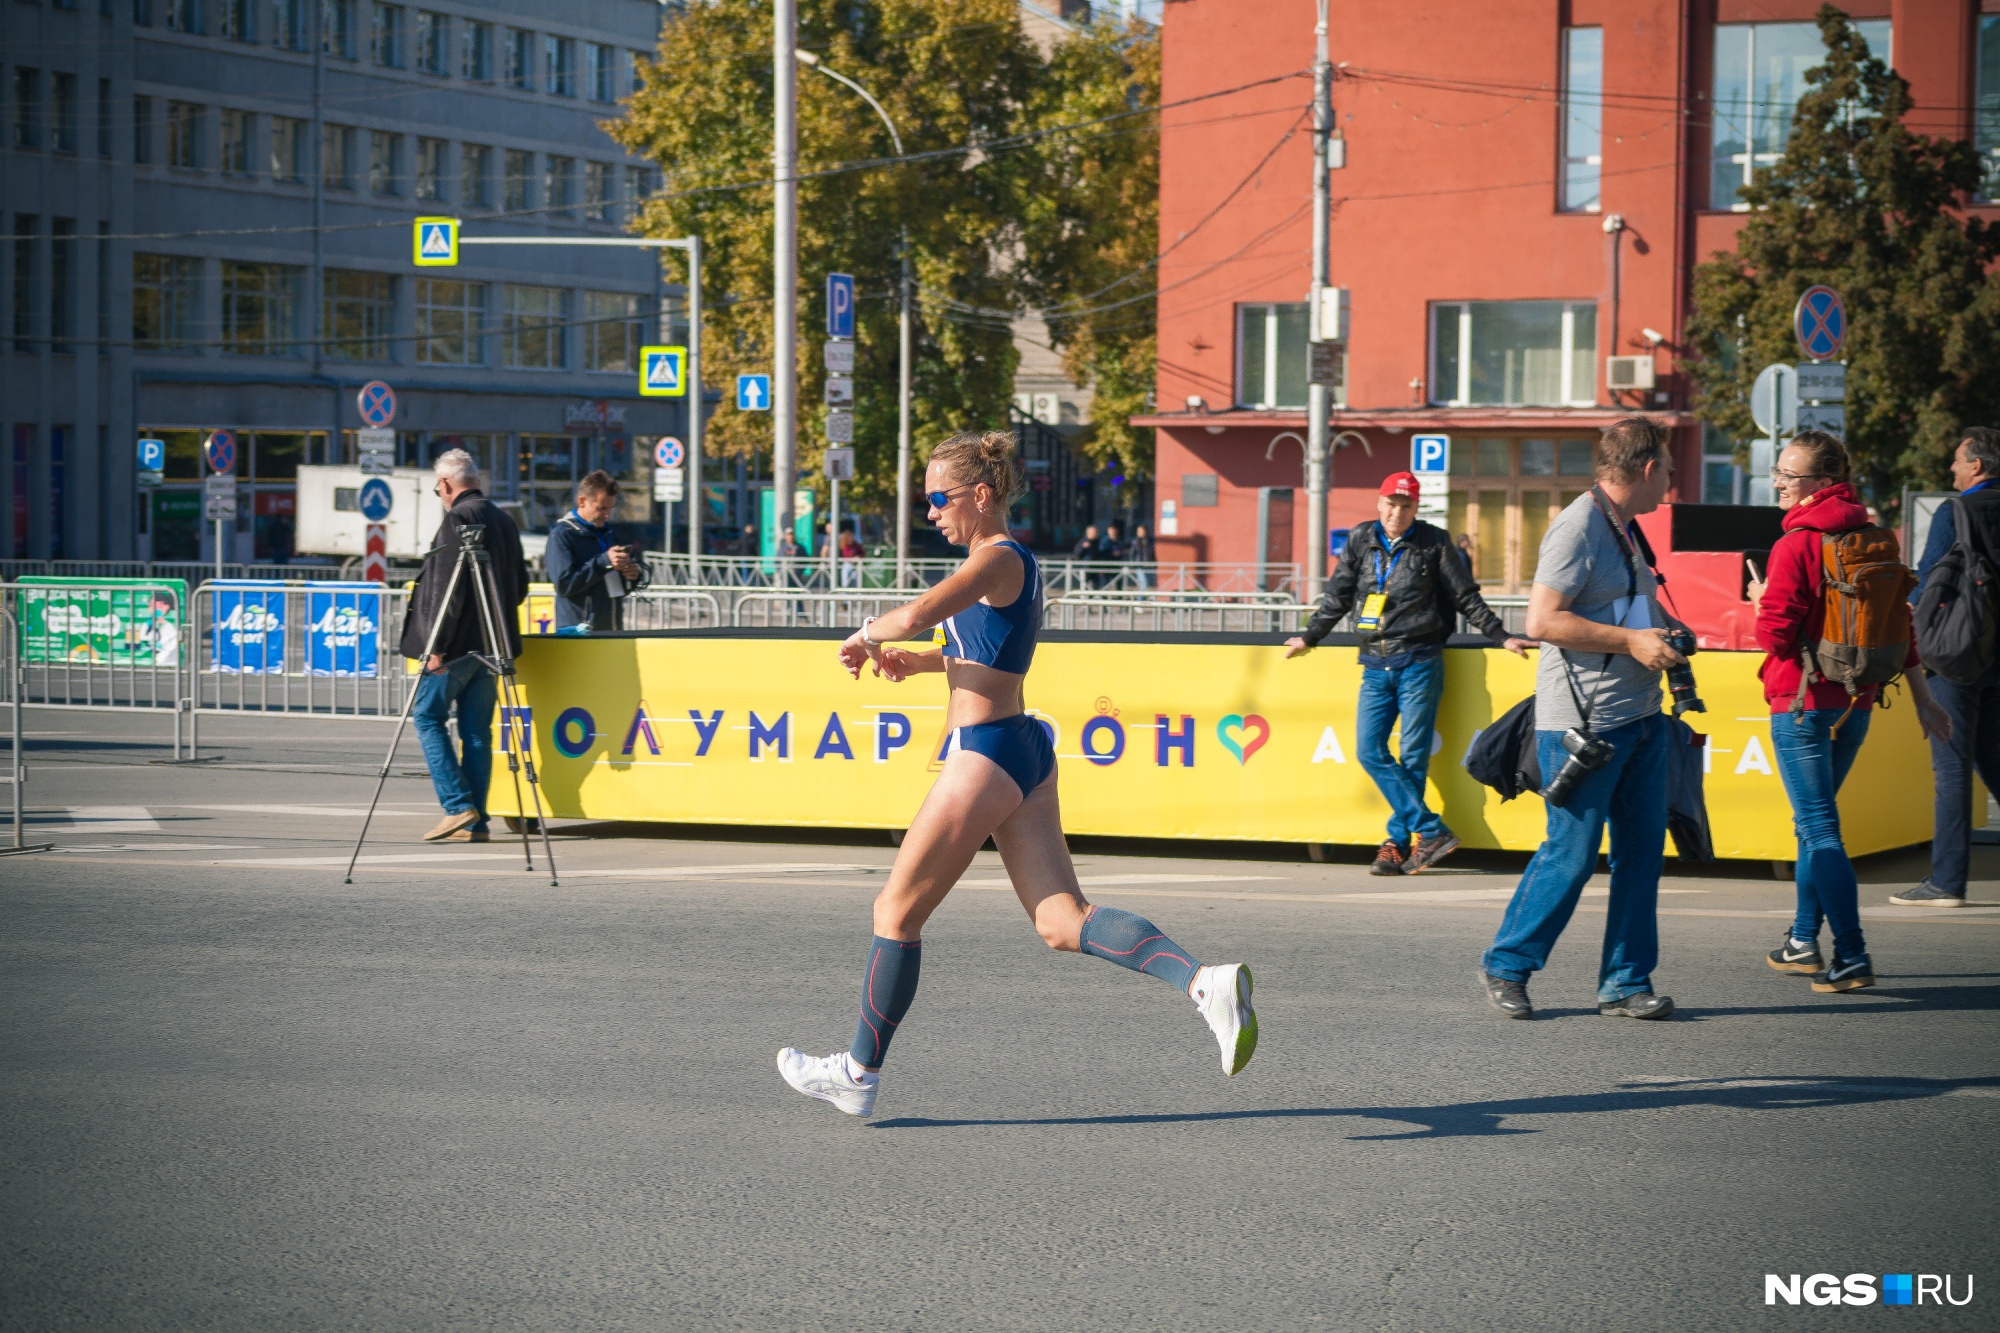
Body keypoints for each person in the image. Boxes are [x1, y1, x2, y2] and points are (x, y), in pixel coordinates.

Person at [776, 430, 1258, 1118]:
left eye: (939, 499)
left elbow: (914, 614)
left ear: (980, 495)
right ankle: (1203, 982)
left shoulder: (996, 557)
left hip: (987, 752)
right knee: (1063, 920)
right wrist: (919, 664)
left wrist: (866, 633)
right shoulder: (1003, 567)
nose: (932, 512)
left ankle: (857, 1070)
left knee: (895, 911)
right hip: (1020, 748)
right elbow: (977, 652)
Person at [1477, 418, 1684, 1021]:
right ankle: (1507, 964)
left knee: (1642, 854)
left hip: (1640, 717)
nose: (1671, 480)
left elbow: (1623, 611)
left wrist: (1658, 638)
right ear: (1647, 470)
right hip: (1586, 728)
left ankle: (1624, 983)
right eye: (1667, 469)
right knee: (1570, 852)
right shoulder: (1578, 526)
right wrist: (1633, 641)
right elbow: (1542, 623)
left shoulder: (1625, 527)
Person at [1746, 432, 1950, 992]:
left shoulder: (1795, 546)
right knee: (1814, 828)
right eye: (1779, 473)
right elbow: (1901, 629)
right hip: (1856, 703)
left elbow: (1776, 637)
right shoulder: (1873, 538)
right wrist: (1924, 700)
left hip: (1803, 703)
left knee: (1819, 828)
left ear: (1821, 484)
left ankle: (1852, 954)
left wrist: (1760, 600)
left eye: (1789, 475)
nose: (1779, 483)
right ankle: (1801, 940)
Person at [1285, 472, 1533, 875]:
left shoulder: (1434, 541)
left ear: (1416, 508)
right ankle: (1430, 829)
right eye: (1391, 504)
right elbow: (1338, 596)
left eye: (1405, 506)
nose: (1396, 513)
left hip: (1420, 660)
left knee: (1413, 756)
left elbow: (1465, 595)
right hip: (1374, 664)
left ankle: (1396, 844)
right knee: (1369, 750)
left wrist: (1500, 635)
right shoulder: (1360, 539)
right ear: (1379, 503)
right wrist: (1310, 636)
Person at [399, 448, 527, 843]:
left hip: (455, 647)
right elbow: (520, 587)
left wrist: (436, 643)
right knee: (476, 733)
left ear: (447, 485)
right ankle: (476, 824)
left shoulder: (458, 518)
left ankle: (457, 807)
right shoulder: (504, 520)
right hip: (492, 646)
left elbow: (444, 590)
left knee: (426, 715)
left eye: (439, 488)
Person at [1895, 426, 2000, 907]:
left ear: (1977, 466)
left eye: (1958, 461)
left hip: (1958, 655)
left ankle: (1947, 882)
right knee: (1995, 762)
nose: (1952, 469)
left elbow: (1926, 584)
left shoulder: (1955, 511)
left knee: (1952, 768)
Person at [544, 470, 648, 632]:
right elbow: (564, 585)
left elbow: (612, 584)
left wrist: (631, 575)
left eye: (610, 509)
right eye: (601, 508)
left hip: (611, 628)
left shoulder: (607, 532)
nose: (607, 515)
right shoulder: (562, 534)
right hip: (578, 631)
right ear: (582, 501)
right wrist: (604, 562)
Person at [1129, 522, 1155, 590]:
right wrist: (1132, 565)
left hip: (1148, 565)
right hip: (1139, 566)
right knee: (1144, 583)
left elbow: (1153, 552)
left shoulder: (1151, 541)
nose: (1140, 532)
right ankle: (1139, 599)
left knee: (1148, 584)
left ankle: (1142, 598)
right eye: (1138, 531)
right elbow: (1132, 554)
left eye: (1141, 530)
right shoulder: (1135, 541)